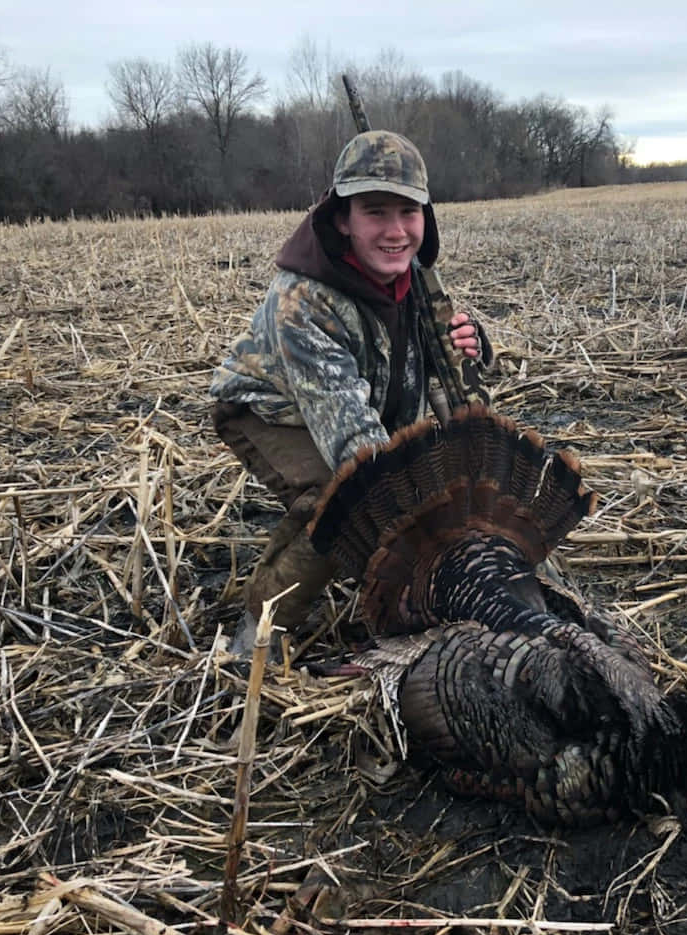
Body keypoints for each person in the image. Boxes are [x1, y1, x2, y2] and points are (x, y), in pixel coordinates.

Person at [210, 130, 492, 652]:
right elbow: (353, 445)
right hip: (271, 408)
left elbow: (447, 373)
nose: (395, 231)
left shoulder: (416, 277)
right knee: (338, 501)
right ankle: (260, 629)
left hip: (359, 398)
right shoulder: (303, 300)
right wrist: (421, 534)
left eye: (408, 213)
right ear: (342, 219)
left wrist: (472, 343)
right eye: (375, 212)